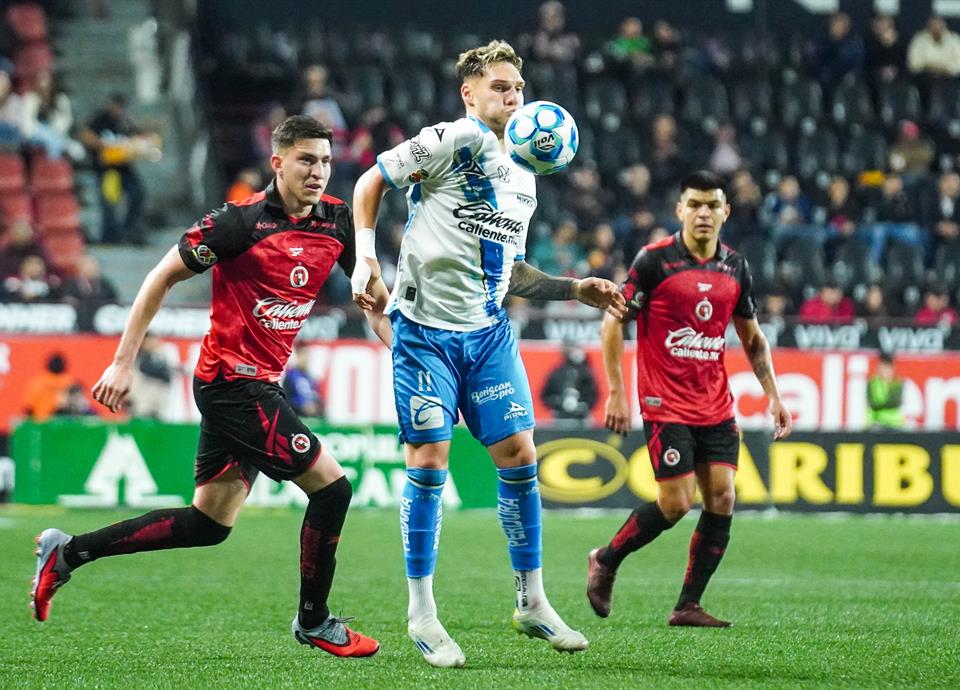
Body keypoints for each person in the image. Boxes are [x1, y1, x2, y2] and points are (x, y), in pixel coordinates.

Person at [31, 115, 386, 658]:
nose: (318, 172)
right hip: (231, 385)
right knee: (332, 489)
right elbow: (160, 277)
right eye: (306, 160)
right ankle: (314, 620)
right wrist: (122, 363)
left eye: (325, 161)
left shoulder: (337, 223)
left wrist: (403, 347)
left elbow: (373, 299)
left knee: (208, 523)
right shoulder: (237, 223)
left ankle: (68, 552)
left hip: (258, 386)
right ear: (278, 163)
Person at [350, 39, 626, 668]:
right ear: (469, 93)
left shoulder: (525, 173)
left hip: (487, 332)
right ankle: (422, 613)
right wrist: (367, 257)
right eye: (501, 87)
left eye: (518, 88)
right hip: (423, 330)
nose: (513, 97)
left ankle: (532, 601)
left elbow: (510, 271)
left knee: (520, 454)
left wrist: (573, 288)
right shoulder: (453, 140)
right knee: (429, 461)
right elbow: (371, 181)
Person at [587, 170, 792, 627]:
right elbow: (613, 321)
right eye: (694, 204)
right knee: (676, 503)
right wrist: (617, 391)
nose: (703, 213)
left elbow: (753, 338)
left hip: (715, 404)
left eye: (712, 205)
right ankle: (605, 559)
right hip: (665, 402)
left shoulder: (735, 267)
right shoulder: (654, 261)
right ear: (680, 210)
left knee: (723, 498)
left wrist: (774, 395)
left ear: (726, 212)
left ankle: (687, 605)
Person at [542, 341, 598, 422]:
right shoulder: (557, 372)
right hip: (560, 417)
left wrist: (582, 404)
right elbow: (545, 396)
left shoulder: (586, 372)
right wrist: (560, 402)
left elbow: (593, 395)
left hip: (582, 417)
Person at [866, 352, 904, 429]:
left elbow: (896, 402)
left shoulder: (897, 383)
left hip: (894, 423)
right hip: (876, 422)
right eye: (883, 367)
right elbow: (873, 403)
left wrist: (881, 405)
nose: (885, 371)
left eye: (887, 368)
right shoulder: (873, 383)